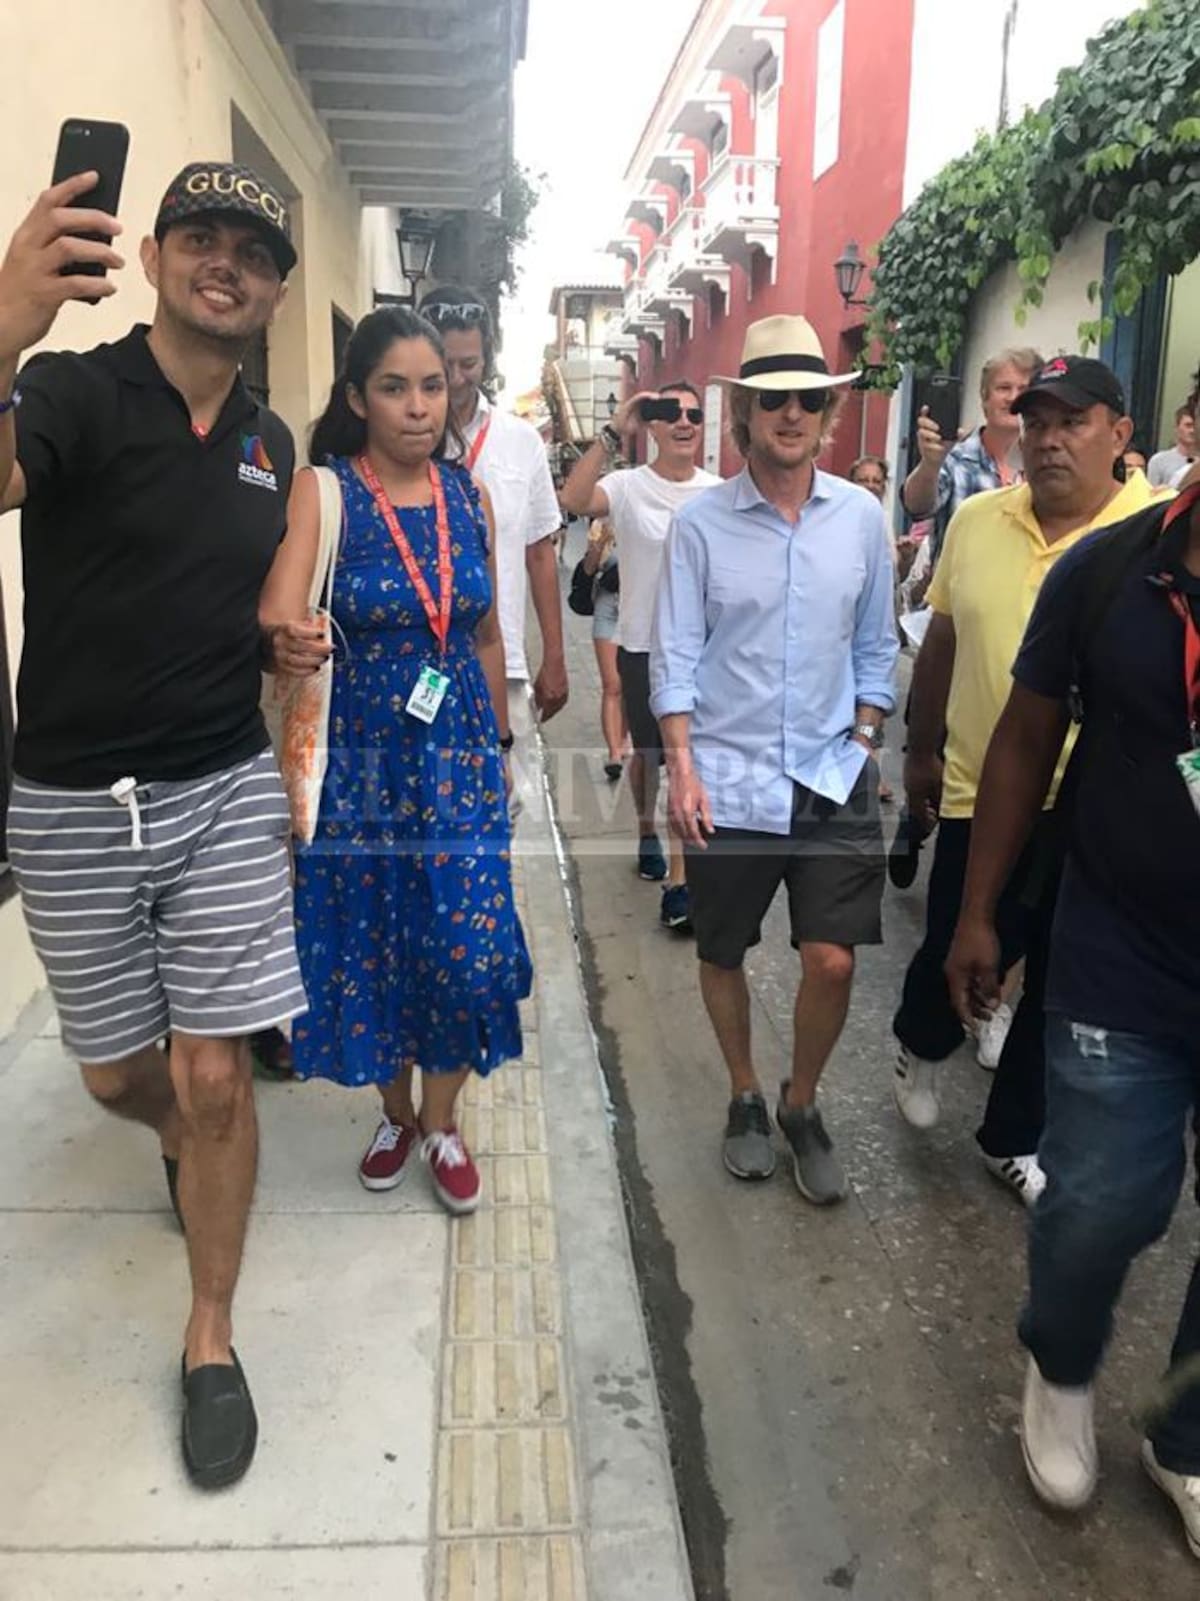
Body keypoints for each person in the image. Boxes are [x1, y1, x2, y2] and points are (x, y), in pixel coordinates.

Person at [0, 161, 304, 1489]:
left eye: (253, 247)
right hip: (69, 797)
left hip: (220, 783)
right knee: (126, 1081)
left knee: (217, 1072)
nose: (224, 261)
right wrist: (7, 318)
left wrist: (285, 647)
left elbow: (236, 597)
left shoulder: (271, 442)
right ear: (159, 253)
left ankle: (212, 1333)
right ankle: (188, 1148)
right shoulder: (68, 392)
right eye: (201, 236)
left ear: (277, 287)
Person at [944, 475, 1200, 1554]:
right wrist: (978, 913)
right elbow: (1021, 739)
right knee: (1104, 1200)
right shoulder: (1110, 570)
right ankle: (1060, 1356)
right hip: (1123, 953)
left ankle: (1184, 1435)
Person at [259, 306, 530, 1216]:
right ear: (356, 398)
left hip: (458, 763)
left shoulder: (471, 497)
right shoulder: (323, 490)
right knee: (375, 947)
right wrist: (287, 639)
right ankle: (397, 1114)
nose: (419, 405)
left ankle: (445, 1120)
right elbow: (279, 605)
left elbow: (486, 633)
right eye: (394, 387)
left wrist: (498, 745)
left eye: (431, 385)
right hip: (362, 769)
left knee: (463, 950)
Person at [892, 356, 1164, 1206]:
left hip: (1100, 807)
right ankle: (919, 1036)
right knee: (963, 946)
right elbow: (940, 638)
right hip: (984, 784)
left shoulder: (1156, 530)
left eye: (1071, 422)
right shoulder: (976, 519)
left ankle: (1013, 1136)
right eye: (1037, 421)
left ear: (1120, 435)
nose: (1048, 440)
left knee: (1059, 979)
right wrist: (922, 746)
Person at [651, 315, 897, 1202]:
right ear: (746, 414)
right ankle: (746, 1093)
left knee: (833, 960)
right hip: (728, 778)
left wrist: (866, 737)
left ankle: (801, 1102)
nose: (790, 414)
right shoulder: (703, 527)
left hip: (833, 776)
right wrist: (679, 766)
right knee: (722, 949)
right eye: (772, 399)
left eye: (807, 399)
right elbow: (675, 654)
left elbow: (877, 644)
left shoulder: (861, 518)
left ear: (825, 416)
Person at [560, 381, 719, 931]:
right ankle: (646, 830)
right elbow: (573, 501)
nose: (683, 422)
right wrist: (612, 431)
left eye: (693, 414)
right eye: (668, 412)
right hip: (642, 645)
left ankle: (681, 880)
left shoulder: (719, 492)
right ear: (650, 425)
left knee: (685, 761)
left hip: (701, 653)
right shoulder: (627, 487)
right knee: (649, 759)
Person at [417, 287, 566, 810]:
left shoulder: (520, 442)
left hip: (503, 666)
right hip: (417, 664)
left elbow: (540, 552)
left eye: (469, 363)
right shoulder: (398, 436)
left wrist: (555, 655)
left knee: (504, 806)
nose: (457, 379)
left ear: (487, 359)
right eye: (444, 363)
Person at [902, 347, 1041, 566]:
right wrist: (930, 463)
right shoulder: (955, 459)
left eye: (1023, 389)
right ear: (985, 399)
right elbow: (917, 507)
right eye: (1004, 388)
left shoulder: (1046, 464)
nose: (1013, 397)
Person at [579, 519, 628, 780]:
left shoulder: (649, 517)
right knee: (612, 684)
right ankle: (614, 753)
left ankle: (624, 738)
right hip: (607, 609)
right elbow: (589, 568)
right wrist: (598, 545)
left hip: (641, 612)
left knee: (631, 684)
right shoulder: (602, 524)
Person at [1148, 402, 1196, 488]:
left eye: (1196, 426)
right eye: (1188, 425)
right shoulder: (1159, 460)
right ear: (1177, 428)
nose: (1192, 430)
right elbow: (1151, 496)